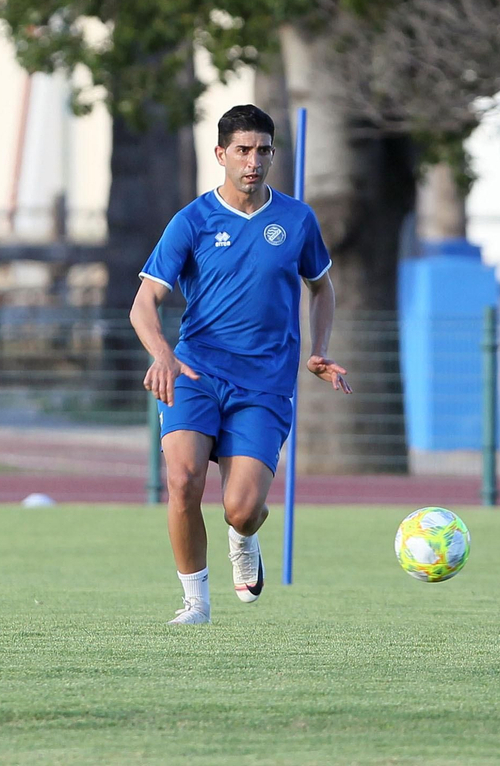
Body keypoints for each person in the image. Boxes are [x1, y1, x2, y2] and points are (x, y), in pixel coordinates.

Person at [130, 104, 351, 625]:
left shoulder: (297, 219)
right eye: (243, 151)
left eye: (263, 151)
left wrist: (318, 349)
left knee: (241, 509)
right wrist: (162, 354)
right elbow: (144, 303)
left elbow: (321, 289)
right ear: (221, 155)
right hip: (196, 374)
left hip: (265, 386)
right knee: (182, 482)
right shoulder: (193, 221)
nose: (254, 161)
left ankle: (244, 538)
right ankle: (196, 604)